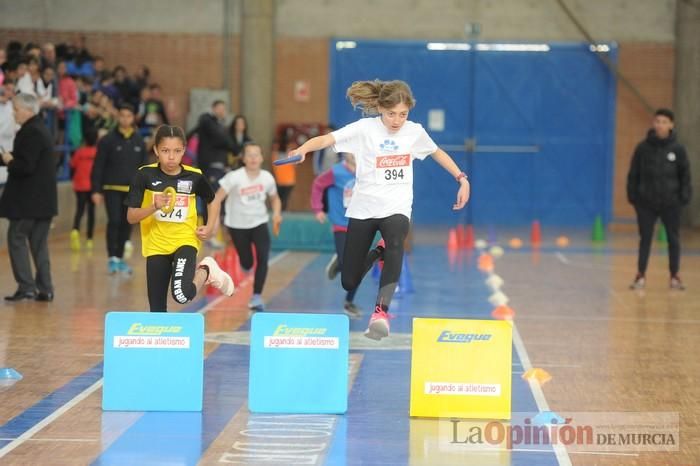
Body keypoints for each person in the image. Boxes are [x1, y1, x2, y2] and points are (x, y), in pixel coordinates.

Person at [287, 80, 470, 340]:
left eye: (403, 114)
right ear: (381, 109)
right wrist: (304, 149)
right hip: (364, 209)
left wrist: (461, 178)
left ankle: (380, 313)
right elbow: (328, 138)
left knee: (396, 242)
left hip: (396, 206)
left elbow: (437, 153)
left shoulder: (414, 132)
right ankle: (377, 252)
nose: (397, 120)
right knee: (349, 281)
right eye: (391, 113)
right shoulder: (365, 129)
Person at [126, 125, 234, 312]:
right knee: (157, 310)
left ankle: (206, 271)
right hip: (156, 246)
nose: (171, 157)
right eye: (165, 151)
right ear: (156, 151)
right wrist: (153, 206)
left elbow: (213, 200)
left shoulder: (194, 177)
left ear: (184, 150)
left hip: (185, 241)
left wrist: (210, 227)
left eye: (177, 151)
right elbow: (131, 217)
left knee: (182, 295)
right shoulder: (144, 175)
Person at [211, 142, 282, 311]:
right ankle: (246, 263)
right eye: (249, 155)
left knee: (263, 257)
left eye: (256, 154)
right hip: (237, 225)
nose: (253, 158)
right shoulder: (234, 177)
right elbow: (216, 198)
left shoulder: (267, 177)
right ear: (243, 159)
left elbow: (275, 198)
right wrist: (213, 223)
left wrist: (277, 214)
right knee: (248, 262)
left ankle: (256, 296)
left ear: (262, 158)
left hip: (259, 222)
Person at [0, 93, 57, 302]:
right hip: (43, 202)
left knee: (16, 238)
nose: (14, 114)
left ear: (27, 110)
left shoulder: (31, 132)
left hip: (28, 203)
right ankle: (45, 288)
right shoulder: (40, 129)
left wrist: (8, 160)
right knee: (39, 245)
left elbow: (24, 166)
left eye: (16, 110)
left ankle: (26, 287)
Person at [627, 108, 692, 290]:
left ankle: (674, 276)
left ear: (671, 125)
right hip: (646, 203)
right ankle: (640, 275)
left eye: (664, 122)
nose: (660, 125)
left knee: (673, 239)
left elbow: (685, 175)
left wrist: (683, 196)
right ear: (653, 124)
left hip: (671, 203)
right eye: (657, 121)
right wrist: (633, 196)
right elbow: (634, 173)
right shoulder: (642, 148)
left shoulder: (678, 149)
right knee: (645, 238)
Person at [91, 103, 147, 274]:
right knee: (114, 221)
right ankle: (112, 258)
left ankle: (121, 258)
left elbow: (143, 167)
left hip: (131, 190)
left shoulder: (139, 140)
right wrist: (96, 190)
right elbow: (98, 165)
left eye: (128, 116)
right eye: (122, 115)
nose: (125, 119)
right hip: (111, 187)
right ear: (118, 117)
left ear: (133, 118)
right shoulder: (107, 140)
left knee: (126, 224)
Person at [311, 153, 363, 318]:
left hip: (361, 224)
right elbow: (318, 185)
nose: (354, 153)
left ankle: (349, 302)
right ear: (345, 153)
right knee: (347, 263)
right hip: (341, 223)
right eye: (351, 150)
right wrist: (317, 208)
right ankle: (339, 262)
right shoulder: (336, 172)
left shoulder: (368, 170)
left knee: (357, 267)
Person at [70, 126, 98, 251]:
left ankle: (75, 229)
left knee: (79, 209)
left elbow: (72, 165)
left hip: (79, 186)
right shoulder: (98, 153)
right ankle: (89, 239)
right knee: (91, 212)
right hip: (92, 187)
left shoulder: (79, 152)